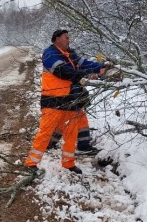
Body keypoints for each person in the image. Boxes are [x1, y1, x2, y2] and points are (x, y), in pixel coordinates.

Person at [25, 29, 114, 174]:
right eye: (66, 38)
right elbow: (63, 72)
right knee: (45, 133)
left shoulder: (70, 54)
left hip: (71, 101)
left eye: (69, 37)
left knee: (71, 134)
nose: (69, 40)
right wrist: (87, 75)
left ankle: (68, 163)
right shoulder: (50, 54)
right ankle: (31, 163)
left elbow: (84, 64)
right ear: (57, 39)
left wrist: (102, 67)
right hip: (53, 102)